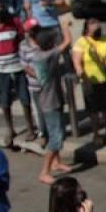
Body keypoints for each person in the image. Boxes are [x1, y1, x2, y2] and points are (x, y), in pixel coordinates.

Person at [20, 19, 74, 184]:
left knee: (53, 132)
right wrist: (65, 27)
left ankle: (56, 162)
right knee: (57, 137)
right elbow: (67, 42)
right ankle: (44, 171)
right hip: (50, 101)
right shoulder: (46, 55)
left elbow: (28, 68)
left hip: (51, 96)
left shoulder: (37, 54)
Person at [0, 0, 37, 144]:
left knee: (24, 98)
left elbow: (21, 40)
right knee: (5, 100)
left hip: (17, 65)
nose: (0, 10)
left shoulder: (14, 22)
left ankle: (30, 127)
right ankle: (10, 129)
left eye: (1, 6)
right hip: (0, 68)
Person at [73, 18, 106, 146]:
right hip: (90, 81)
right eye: (93, 24)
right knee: (93, 110)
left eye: (98, 24)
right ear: (86, 28)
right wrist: (80, 73)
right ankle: (96, 134)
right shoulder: (81, 42)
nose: (97, 27)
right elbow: (77, 61)